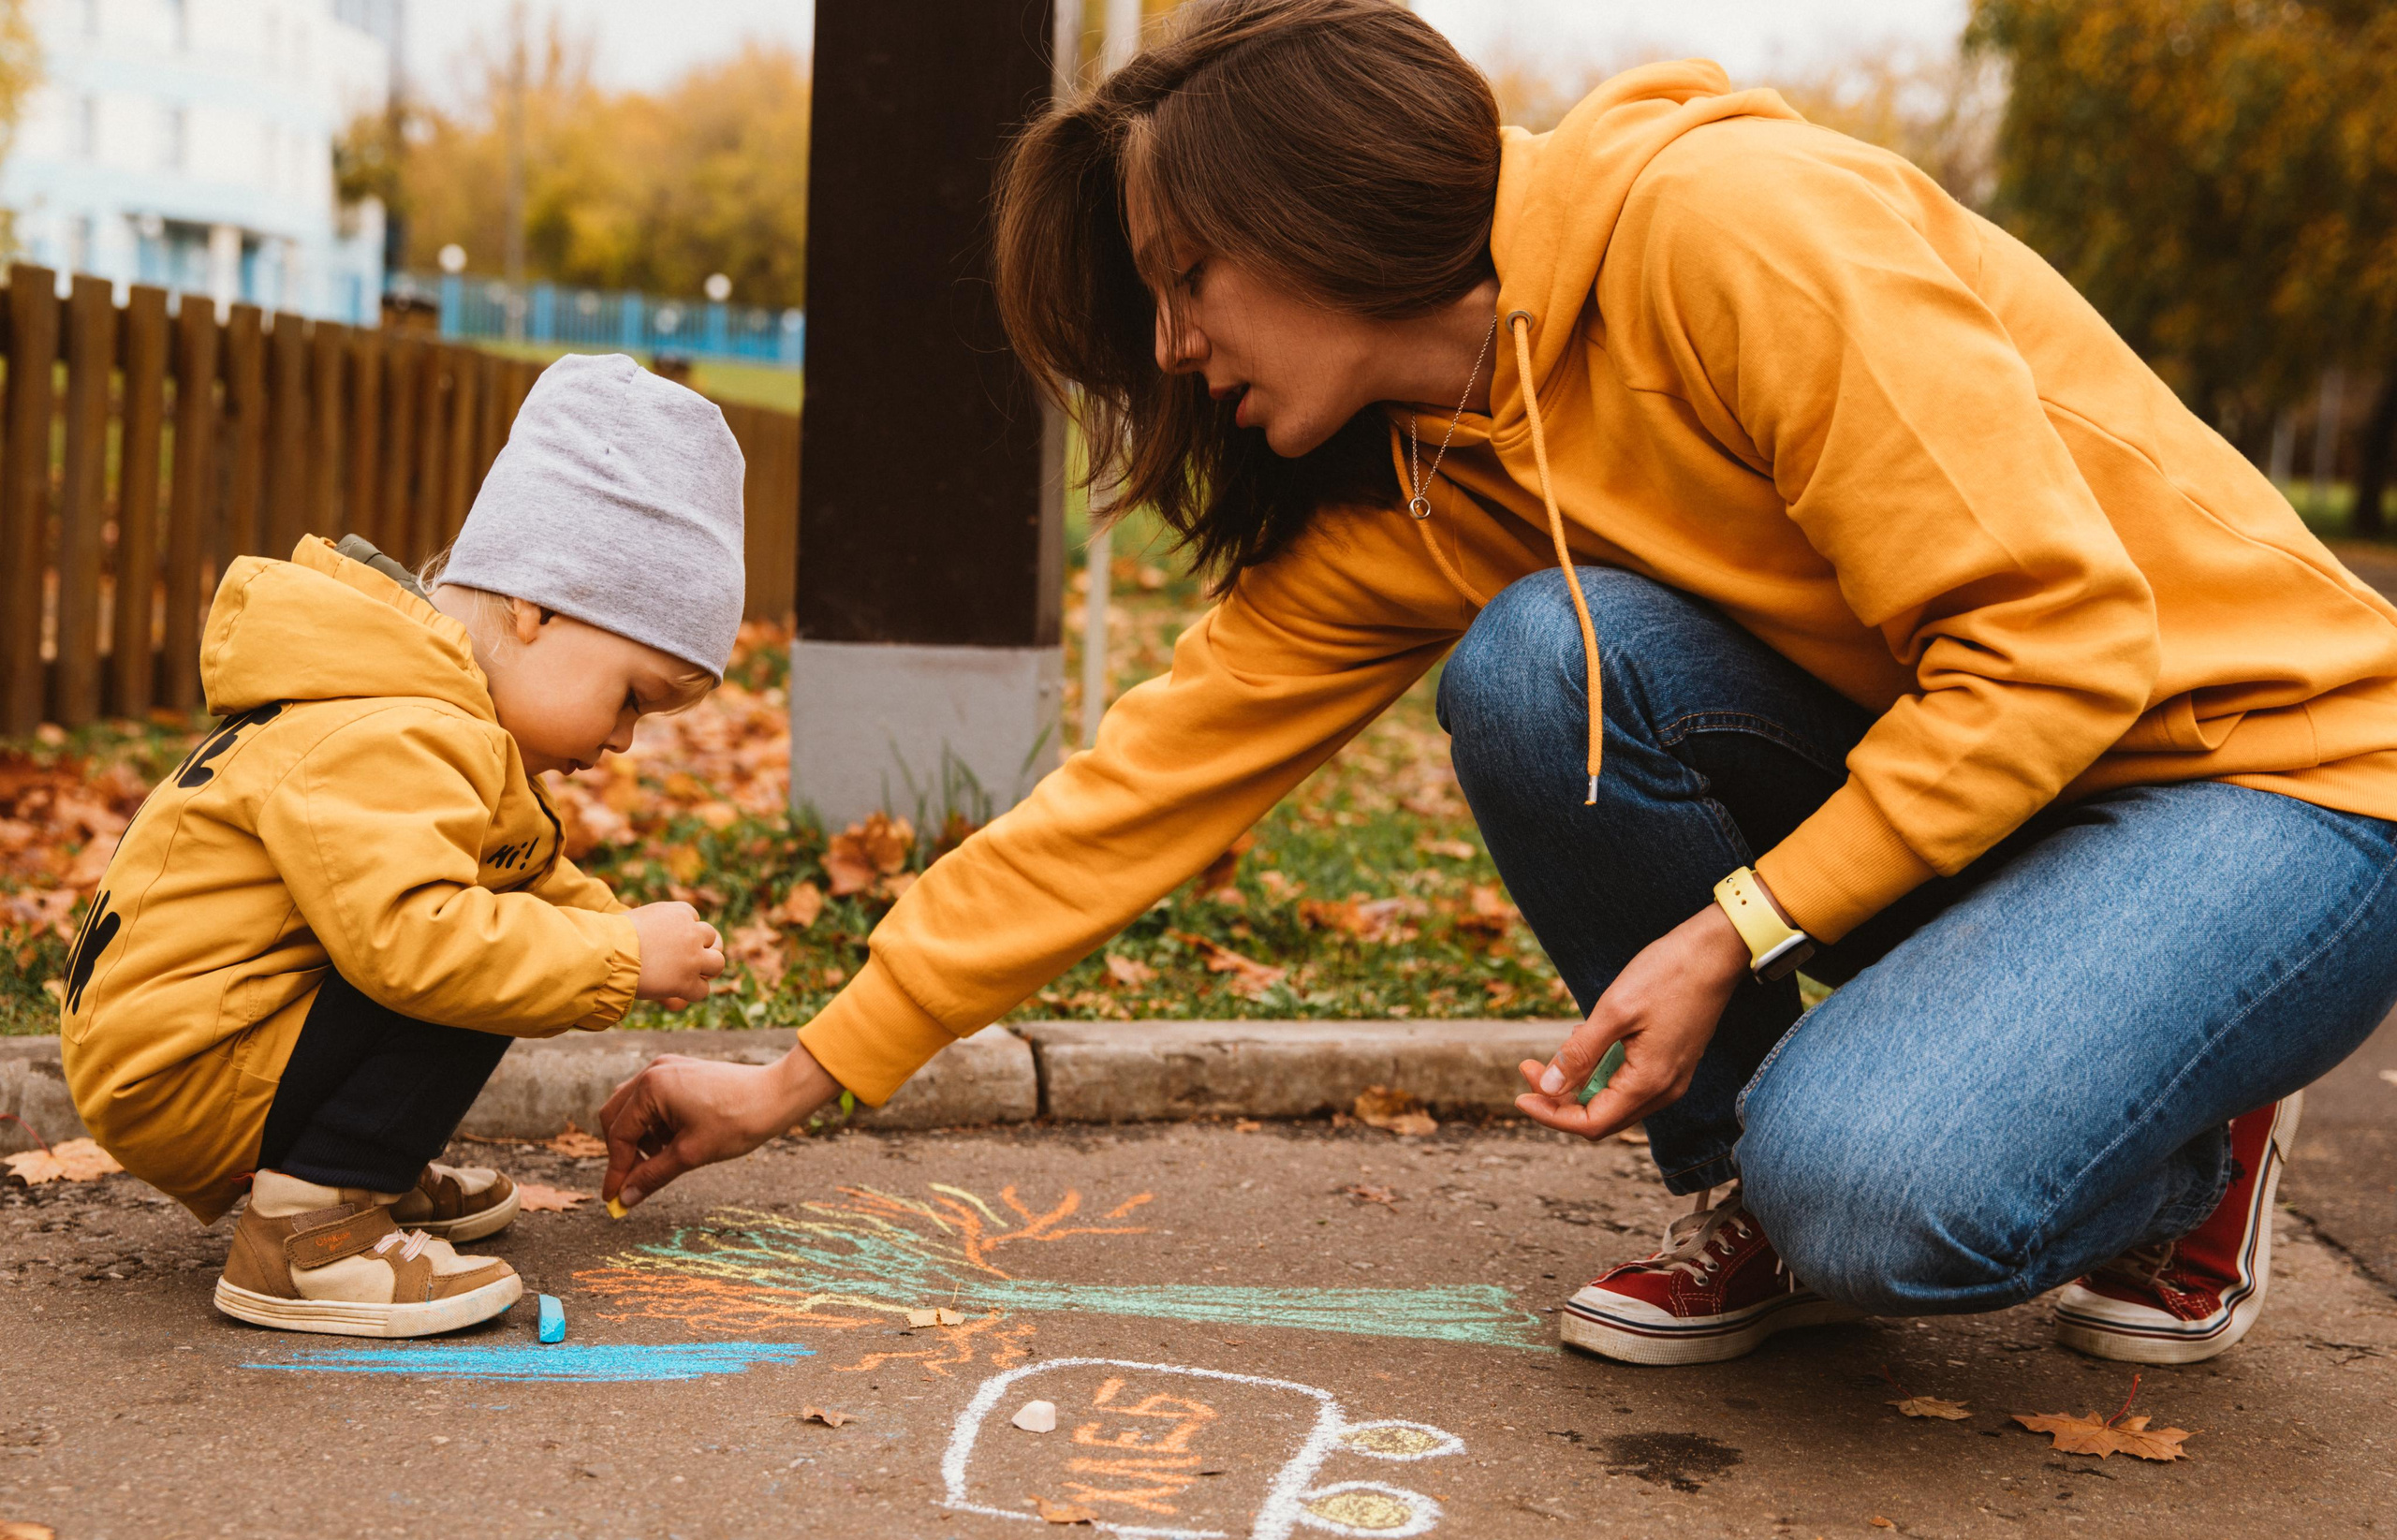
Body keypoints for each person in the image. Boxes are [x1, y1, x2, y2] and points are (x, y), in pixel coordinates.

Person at [598, 0, 2397, 1371]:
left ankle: (2182, 1141)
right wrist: (802, 1074)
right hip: (2015, 795)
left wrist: (1738, 926)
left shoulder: (1735, 232)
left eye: (1182, 276)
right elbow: (1136, 790)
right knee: (1541, 662)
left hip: (2272, 776)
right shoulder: (1426, 486)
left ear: (1310, 209)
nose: (1168, 346)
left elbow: (2055, 648)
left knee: (1884, 1190)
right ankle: (1752, 1183)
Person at [62, 353, 738, 1339]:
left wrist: (617, 932)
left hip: (198, 1039)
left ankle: (350, 1168)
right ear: (538, 606)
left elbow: (533, 876)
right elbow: (413, 944)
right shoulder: (400, 731)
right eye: (631, 695)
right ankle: (311, 1231)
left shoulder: (430, 710)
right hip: (189, 1066)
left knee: (502, 936)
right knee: (463, 949)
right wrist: (621, 954)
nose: (624, 739)